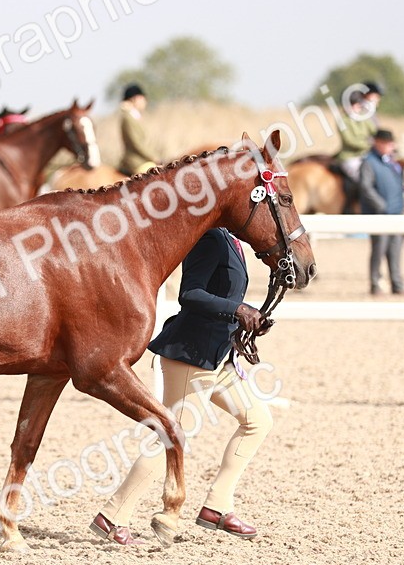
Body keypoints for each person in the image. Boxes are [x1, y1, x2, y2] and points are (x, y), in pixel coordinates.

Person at [90, 228, 274, 545]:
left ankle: (217, 506)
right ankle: (113, 515)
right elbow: (190, 293)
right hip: (192, 354)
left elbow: (224, 294)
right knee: (173, 436)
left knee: (257, 420)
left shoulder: (231, 240)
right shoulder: (210, 238)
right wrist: (238, 309)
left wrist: (249, 316)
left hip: (219, 356)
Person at [358, 129, 404, 295]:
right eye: (387, 143)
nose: (391, 146)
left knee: (396, 249)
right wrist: (381, 206)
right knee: (379, 249)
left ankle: (397, 284)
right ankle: (375, 283)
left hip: (396, 213)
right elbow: (366, 187)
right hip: (379, 214)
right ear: (377, 143)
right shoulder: (369, 162)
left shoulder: (392, 163)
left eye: (391, 143)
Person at [335, 81, 382, 183]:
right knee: (363, 180)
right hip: (350, 157)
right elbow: (350, 141)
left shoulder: (364, 118)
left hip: (367, 156)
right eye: (351, 105)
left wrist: (382, 141)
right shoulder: (342, 121)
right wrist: (370, 145)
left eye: (356, 105)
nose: (355, 108)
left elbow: (375, 132)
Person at [117, 82, 159, 176]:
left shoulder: (134, 116)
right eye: (142, 98)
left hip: (143, 159)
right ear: (134, 99)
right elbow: (136, 143)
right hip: (135, 161)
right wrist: (154, 157)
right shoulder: (128, 118)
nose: (145, 101)